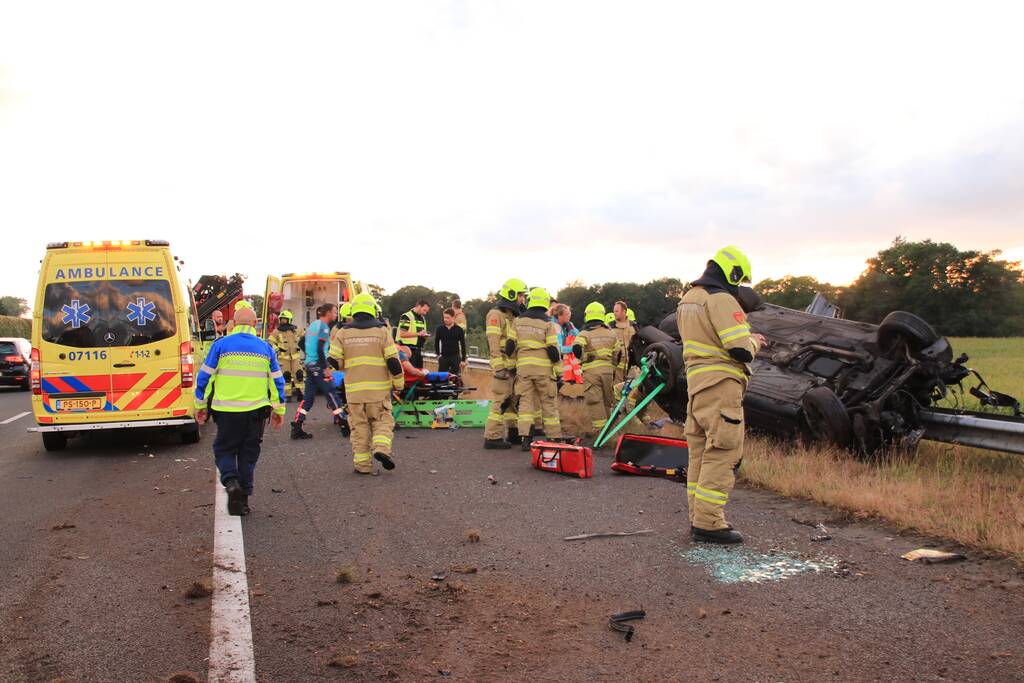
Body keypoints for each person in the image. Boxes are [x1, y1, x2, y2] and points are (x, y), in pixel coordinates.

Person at [678, 246, 765, 544]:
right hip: (721, 384)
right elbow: (739, 348)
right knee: (724, 452)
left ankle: (697, 517)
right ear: (734, 273)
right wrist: (754, 341)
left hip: (696, 386)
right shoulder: (721, 299)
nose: (739, 288)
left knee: (700, 454)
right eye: (740, 282)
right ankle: (710, 522)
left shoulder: (688, 300)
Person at [194, 304, 285, 516]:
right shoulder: (265, 348)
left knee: (224, 449)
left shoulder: (221, 345)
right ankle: (243, 500)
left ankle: (231, 481)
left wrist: (200, 406)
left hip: (225, 411)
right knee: (248, 454)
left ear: (233, 324)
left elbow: (205, 377)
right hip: (256, 412)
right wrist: (278, 410)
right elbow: (277, 383)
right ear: (255, 324)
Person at [330, 293, 405, 474]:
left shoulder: (343, 333)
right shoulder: (382, 332)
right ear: (373, 311)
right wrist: (399, 383)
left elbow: (333, 361)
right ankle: (380, 448)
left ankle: (362, 465)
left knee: (359, 428)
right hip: (377, 393)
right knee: (382, 422)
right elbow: (393, 362)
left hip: (355, 394)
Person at [509, 287, 563, 450]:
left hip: (524, 369)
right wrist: (560, 373)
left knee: (525, 403)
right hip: (543, 371)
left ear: (531, 300)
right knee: (548, 403)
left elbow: (510, 346)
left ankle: (526, 438)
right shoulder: (548, 323)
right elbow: (553, 351)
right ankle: (553, 438)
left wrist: (513, 365)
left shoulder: (517, 321)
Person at [483, 278, 528, 449]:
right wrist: (499, 367)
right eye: (521, 295)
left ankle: (513, 432)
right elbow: (493, 343)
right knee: (501, 400)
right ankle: (492, 437)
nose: (523, 299)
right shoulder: (495, 315)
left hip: (514, 366)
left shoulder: (514, 316)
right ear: (511, 295)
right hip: (503, 366)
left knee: (512, 400)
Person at [291, 303, 345, 439]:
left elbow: (301, 342)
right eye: (334, 312)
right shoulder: (324, 327)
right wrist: (325, 368)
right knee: (331, 392)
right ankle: (344, 423)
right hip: (319, 365)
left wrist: (309, 355)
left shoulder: (313, 326)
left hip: (310, 365)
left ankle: (298, 425)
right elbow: (321, 348)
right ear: (327, 313)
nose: (336, 314)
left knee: (308, 398)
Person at [573, 302, 621, 436]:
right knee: (608, 401)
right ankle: (611, 432)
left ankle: (600, 433)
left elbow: (576, 347)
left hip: (592, 373)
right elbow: (618, 352)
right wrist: (612, 366)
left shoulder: (585, 333)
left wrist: (582, 359)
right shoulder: (611, 333)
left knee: (595, 402)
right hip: (608, 372)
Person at [268, 309, 305, 403]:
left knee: (299, 375)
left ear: (289, 320)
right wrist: (277, 350)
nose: (283, 321)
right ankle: (287, 395)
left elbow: (306, 336)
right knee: (286, 376)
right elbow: (270, 342)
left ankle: (301, 393)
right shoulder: (276, 331)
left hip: (295, 358)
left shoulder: (296, 330)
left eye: (285, 319)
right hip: (283, 358)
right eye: (282, 319)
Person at [551, 303, 582, 384]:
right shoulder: (555, 327)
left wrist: (572, 328)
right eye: (567, 314)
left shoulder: (567, 324)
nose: (569, 315)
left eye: (569, 313)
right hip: (555, 364)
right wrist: (574, 349)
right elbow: (559, 349)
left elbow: (580, 337)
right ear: (559, 316)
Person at [397, 299, 430, 368]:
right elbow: (402, 334)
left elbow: (421, 333)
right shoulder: (406, 316)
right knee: (411, 375)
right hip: (407, 350)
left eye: (426, 311)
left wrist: (424, 336)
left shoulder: (422, 318)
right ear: (418, 306)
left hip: (418, 350)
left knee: (419, 373)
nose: (425, 313)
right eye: (424, 310)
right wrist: (418, 334)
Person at [434, 308, 467, 375]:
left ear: (453, 318)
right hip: (444, 357)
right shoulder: (440, 329)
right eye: (444, 317)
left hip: (455, 357)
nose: (445, 319)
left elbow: (463, 344)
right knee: (441, 378)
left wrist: (463, 360)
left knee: (455, 378)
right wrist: (437, 355)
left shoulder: (459, 330)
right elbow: (436, 342)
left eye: (447, 318)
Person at [611, 301, 635, 383]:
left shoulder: (634, 326)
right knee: (616, 391)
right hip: (616, 369)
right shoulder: (609, 327)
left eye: (616, 311)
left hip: (632, 367)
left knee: (632, 391)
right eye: (614, 311)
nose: (614, 313)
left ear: (624, 312)